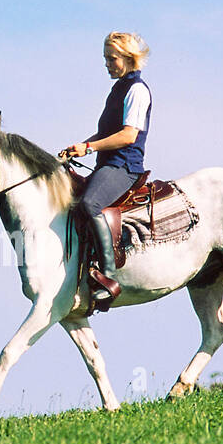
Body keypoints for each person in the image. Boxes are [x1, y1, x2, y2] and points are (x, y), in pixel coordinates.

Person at [59, 31, 152, 302]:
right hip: (107, 164)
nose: (107, 64)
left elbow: (128, 136)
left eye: (112, 58)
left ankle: (108, 273)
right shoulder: (119, 89)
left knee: (90, 204)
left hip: (124, 167)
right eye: (106, 59)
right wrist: (79, 146)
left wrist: (88, 148)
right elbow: (103, 135)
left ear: (127, 57)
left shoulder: (137, 90)